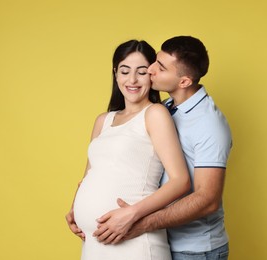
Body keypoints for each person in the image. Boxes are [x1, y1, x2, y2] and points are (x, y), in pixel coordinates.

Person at [94, 36, 233, 260]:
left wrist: (140, 223)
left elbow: (207, 199)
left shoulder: (209, 124)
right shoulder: (165, 108)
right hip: (161, 241)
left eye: (160, 67)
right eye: (155, 62)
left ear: (184, 82)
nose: (150, 70)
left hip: (194, 250)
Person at [65, 39, 190, 260]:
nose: (132, 80)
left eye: (141, 72)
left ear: (152, 74)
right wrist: (76, 209)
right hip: (95, 244)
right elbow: (88, 175)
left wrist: (131, 214)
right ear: (115, 73)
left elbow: (181, 181)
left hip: (135, 242)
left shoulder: (155, 114)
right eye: (125, 71)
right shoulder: (103, 120)